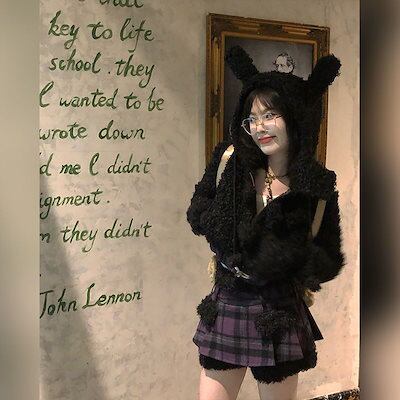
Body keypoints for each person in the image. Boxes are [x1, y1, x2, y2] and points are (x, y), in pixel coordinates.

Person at [186, 45, 346, 400]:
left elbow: (327, 259)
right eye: (252, 118)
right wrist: (228, 236)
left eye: (270, 115)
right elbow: (198, 212)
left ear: (296, 116)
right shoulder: (230, 162)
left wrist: (287, 257)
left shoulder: (315, 186)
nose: (259, 127)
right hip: (228, 300)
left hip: (279, 310)